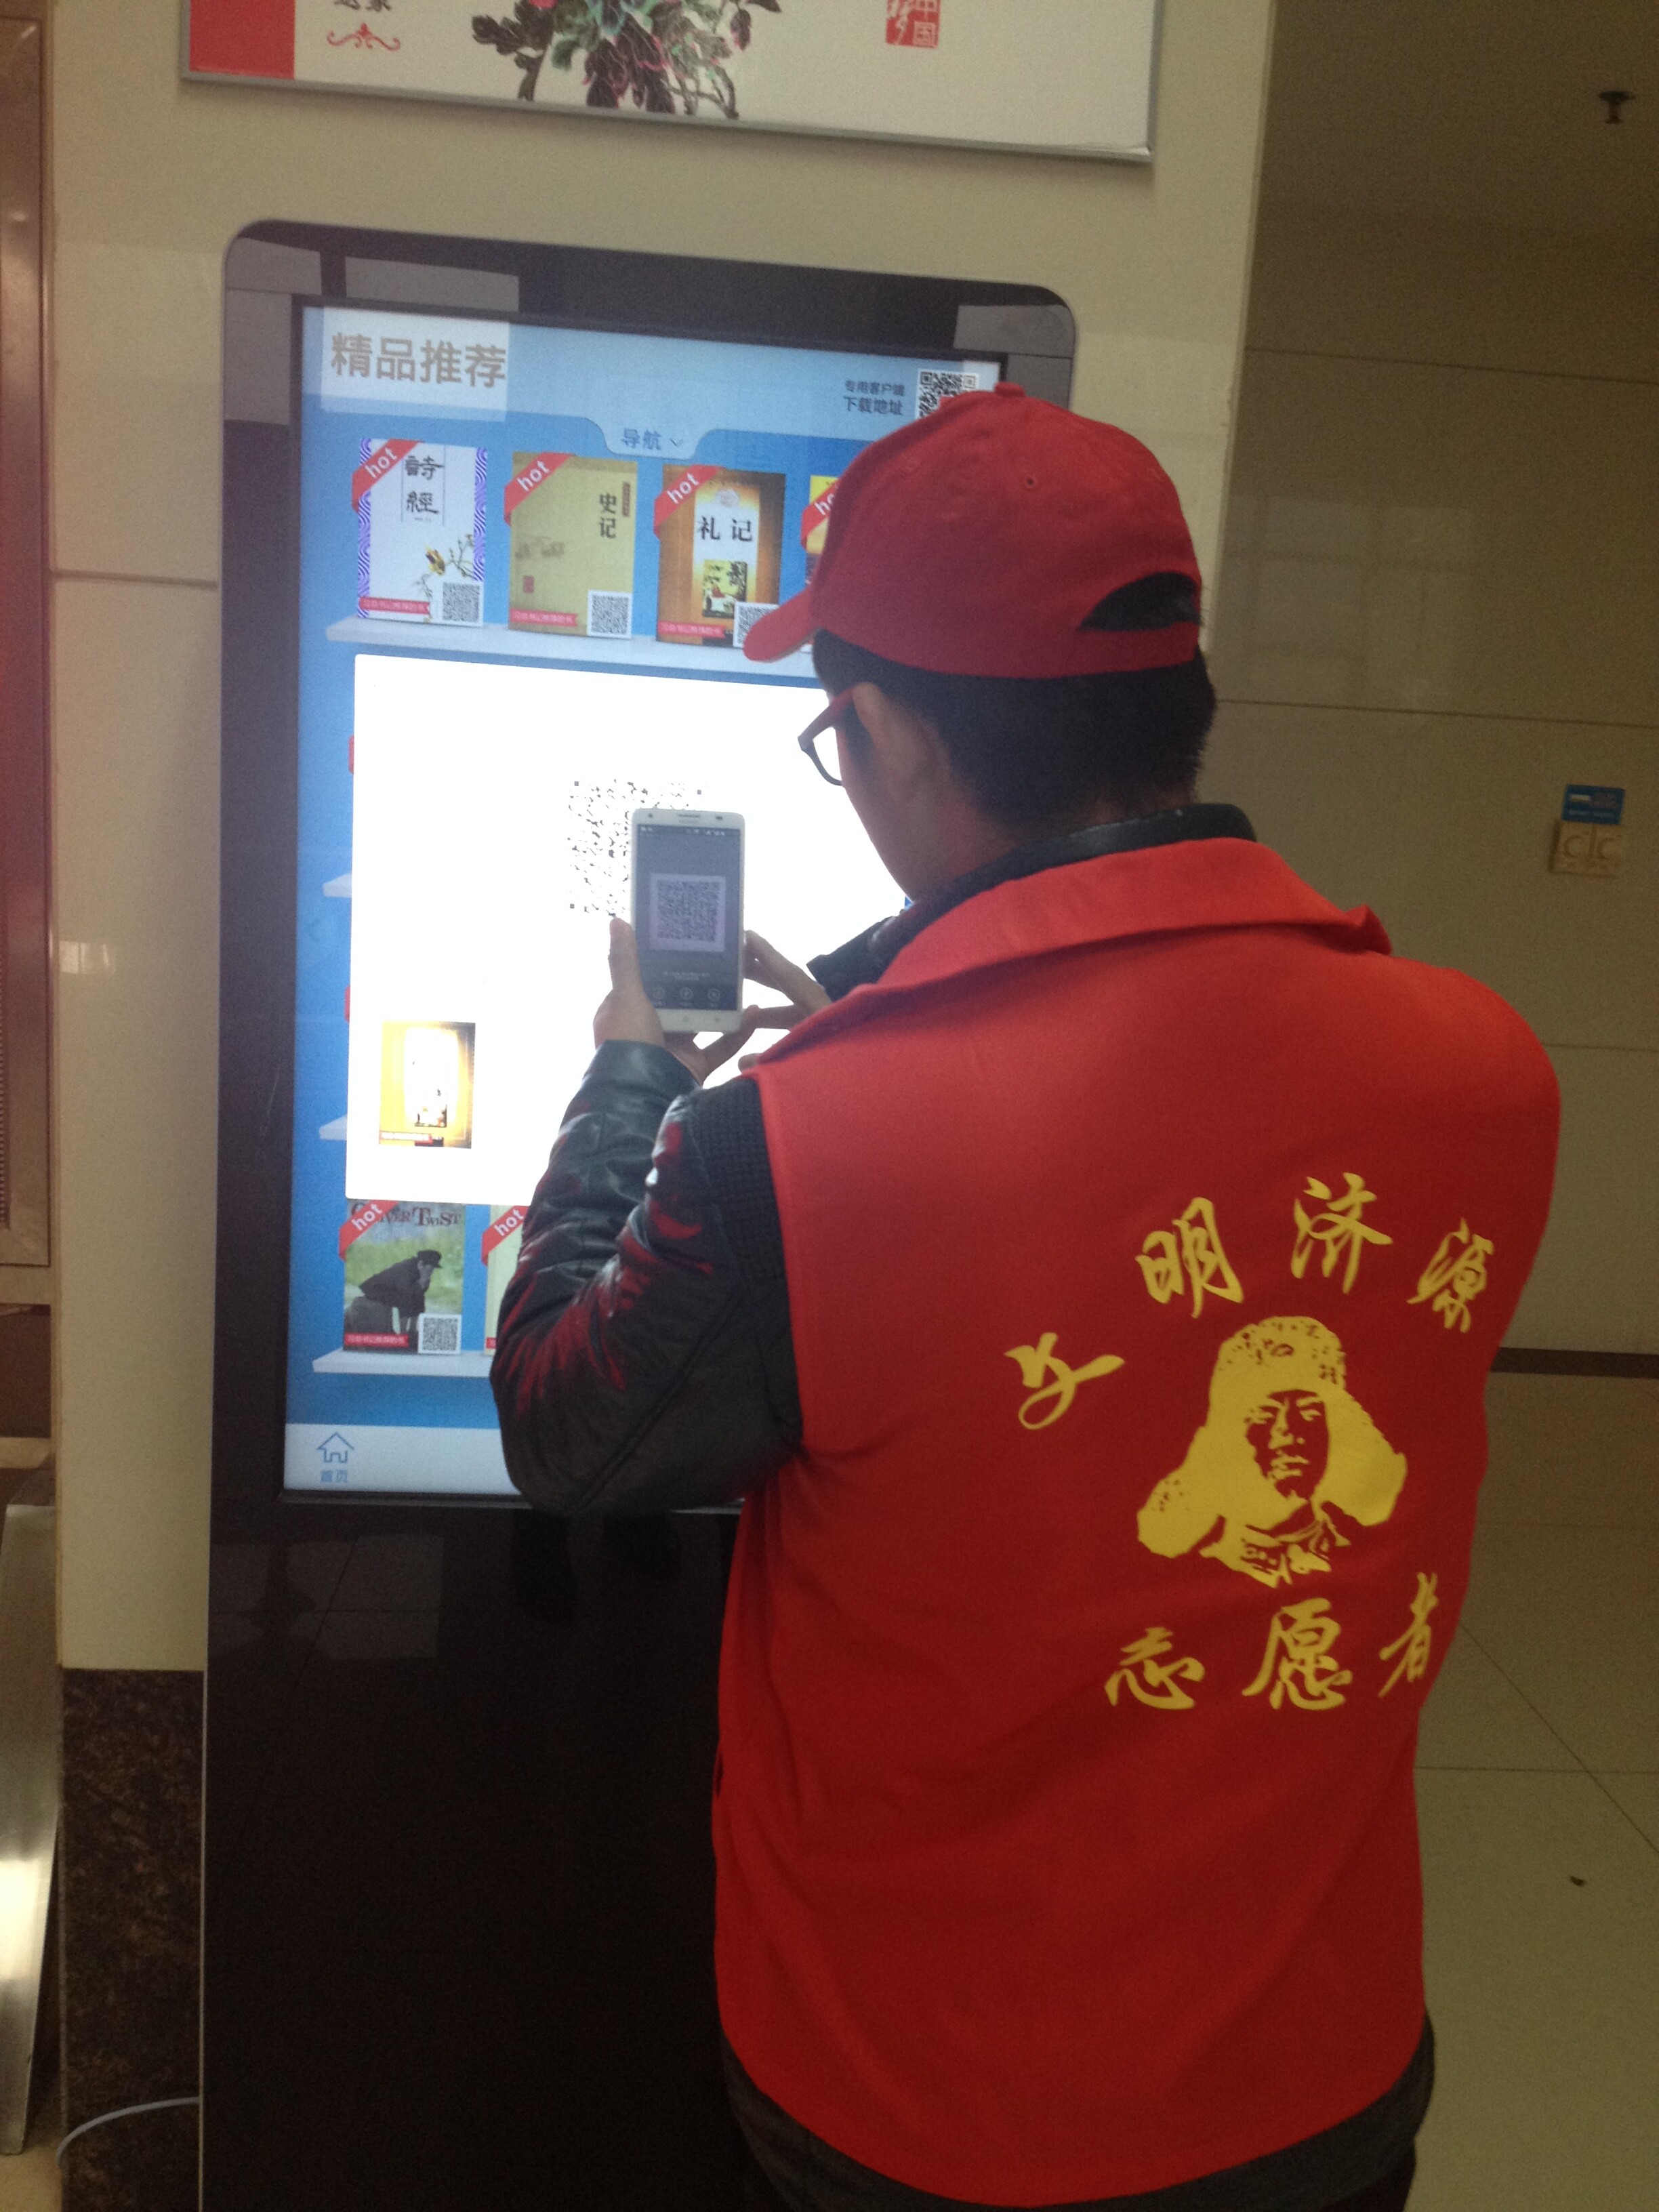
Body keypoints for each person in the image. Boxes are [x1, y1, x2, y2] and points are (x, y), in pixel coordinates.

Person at [491, 387, 1559, 2212]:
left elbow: (566, 1424)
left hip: (934, 2109)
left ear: (890, 735)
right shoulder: (1488, 1067)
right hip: (1320, 2077)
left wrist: (633, 1074)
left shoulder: (803, 1143)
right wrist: (889, 1005)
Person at [346, 1247, 441, 1345]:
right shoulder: (405, 1269)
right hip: (376, 1290)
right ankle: (403, 1333)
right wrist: (421, 1282)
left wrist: (424, 1282)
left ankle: (412, 1329)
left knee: (419, 1298)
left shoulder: (419, 1270)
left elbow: (420, 1292)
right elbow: (406, 1291)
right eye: (430, 1269)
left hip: (393, 1290)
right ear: (421, 1264)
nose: (431, 1272)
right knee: (406, 1300)